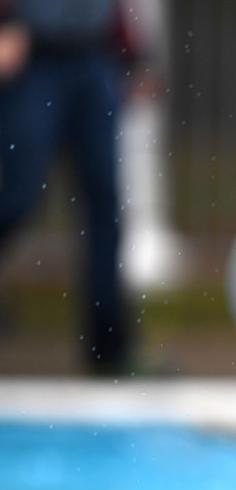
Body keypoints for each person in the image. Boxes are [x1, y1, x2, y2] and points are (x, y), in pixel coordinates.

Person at [0, 0, 135, 374]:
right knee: (18, 196)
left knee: (105, 206)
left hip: (95, 59)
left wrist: (132, 51)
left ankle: (110, 349)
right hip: (32, 58)